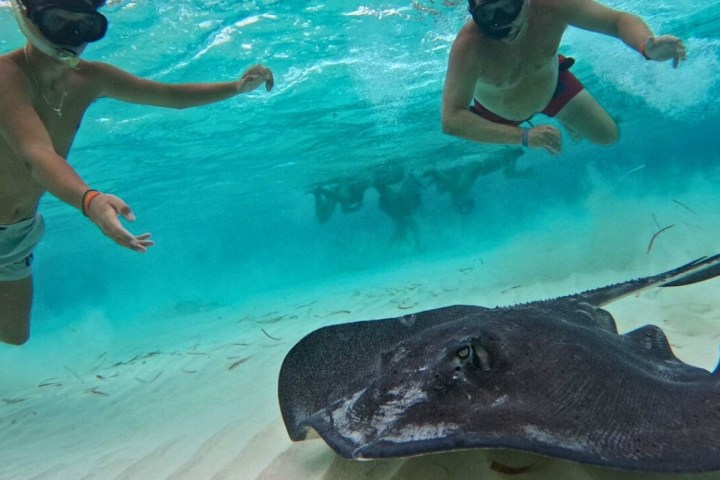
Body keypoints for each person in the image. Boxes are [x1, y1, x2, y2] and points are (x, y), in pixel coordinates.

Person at [0, 0, 274, 346]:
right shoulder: (5, 76)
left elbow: (170, 96)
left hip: (16, 232)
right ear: (27, 16)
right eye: (58, 22)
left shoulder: (89, 78)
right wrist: (91, 201)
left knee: (14, 336)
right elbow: (35, 154)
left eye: (85, 27)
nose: (71, 38)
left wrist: (234, 87)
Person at [441, 0, 687, 155]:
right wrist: (524, 137)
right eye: (487, 14)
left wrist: (646, 45)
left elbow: (617, 20)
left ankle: (564, 117)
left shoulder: (552, 6)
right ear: (473, 11)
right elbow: (452, 119)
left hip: (551, 86)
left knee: (608, 136)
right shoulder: (469, 47)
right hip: (497, 114)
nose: (501, 22)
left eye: (508, 6)